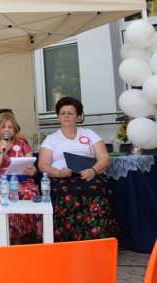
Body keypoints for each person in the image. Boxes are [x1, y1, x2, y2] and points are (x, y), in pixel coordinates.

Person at [38, 96, 118, 241]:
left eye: (70, 113)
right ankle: (66, 238)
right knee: (64, 190)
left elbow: (104, 158)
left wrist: (93, 171)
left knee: (98, 187)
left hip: (89, 175)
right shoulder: (51, 139)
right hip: (62, 177)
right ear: (58, 117)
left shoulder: (89, 134)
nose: (66, 116)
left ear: (78, 117)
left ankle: (98, 237)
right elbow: (43, 165)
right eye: (63, 113)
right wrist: (58, 173)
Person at [0, 111, 41, 244]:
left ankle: (18, 238)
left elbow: (31, 166)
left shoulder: (23, 143)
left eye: (10, 127)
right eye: (3, 127)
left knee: (29, 195)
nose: (7, 130)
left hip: (22, 181)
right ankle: (5, 238)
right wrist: (2, 152)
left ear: (15, 128)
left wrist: (32, 170)